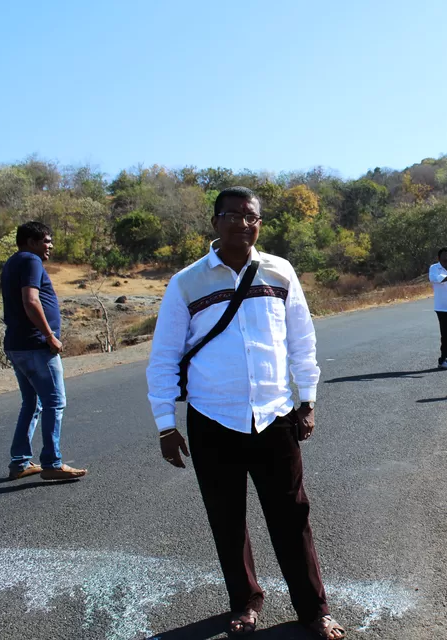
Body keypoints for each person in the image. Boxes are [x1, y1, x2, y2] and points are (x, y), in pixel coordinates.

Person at [146, 187, 345, 639]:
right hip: (213, 419)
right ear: (215, 222)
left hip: (275, 416)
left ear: (259, 223)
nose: (242, 223)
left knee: (293, 517)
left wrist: (307, 401)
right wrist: (165, 425)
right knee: (227, 518)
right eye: (231, 215)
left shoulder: (280, 271)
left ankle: (314, 610)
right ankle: (246, 601)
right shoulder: (187, 282)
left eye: (250, 216)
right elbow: (163, 357)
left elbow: (302, 340)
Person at [1, 221, 87, 481]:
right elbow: (30, 301)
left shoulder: (12, 262)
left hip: (17, 344)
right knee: (54, 402)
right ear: (31, 241)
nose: (50, 245)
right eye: (46, 240)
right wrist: (50, 335)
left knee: (32, 403)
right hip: (36, 345)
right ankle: (52, 463)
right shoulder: (30, 261)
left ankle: (20, 463)